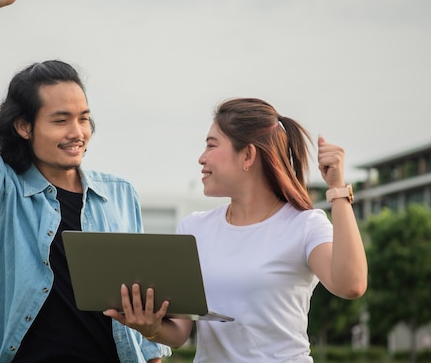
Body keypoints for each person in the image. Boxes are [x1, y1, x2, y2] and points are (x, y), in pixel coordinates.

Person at [0, 0, 170, 363]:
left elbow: (140, 320)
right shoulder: (1, 192)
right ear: (24, 126)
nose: (77, 132)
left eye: (83, 118)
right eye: (60, 120)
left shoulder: (119, 194)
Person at [105, 97, 368, 363]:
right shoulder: (194, 228)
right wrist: (151, 328)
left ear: (248, 155)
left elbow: (351, 285)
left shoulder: (304, 224)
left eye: (211, 145)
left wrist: (338, 192)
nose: (201, 158)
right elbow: (179, 332)